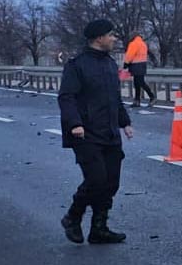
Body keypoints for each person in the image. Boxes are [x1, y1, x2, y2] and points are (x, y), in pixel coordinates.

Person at [57, 19, 133, 244]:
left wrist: (125, 122)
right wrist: (74, 124)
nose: (114, 38)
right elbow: (67, 97)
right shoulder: (77, 65)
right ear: (99, 38)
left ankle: (99, 227)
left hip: (109, 132)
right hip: (86, 133)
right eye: (110, 35)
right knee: (96, 180)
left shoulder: (110, 64)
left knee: (111, 182)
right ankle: (73, 216)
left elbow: (114, 98)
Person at [123, 33, 157, 108]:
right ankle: (137, 100)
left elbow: (130, 54)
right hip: (142, 64)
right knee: (137, 83)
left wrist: (126, 63)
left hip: (135, 65)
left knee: (139, 82)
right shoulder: (143, 44)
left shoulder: (133, 44)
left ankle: (152, 97)